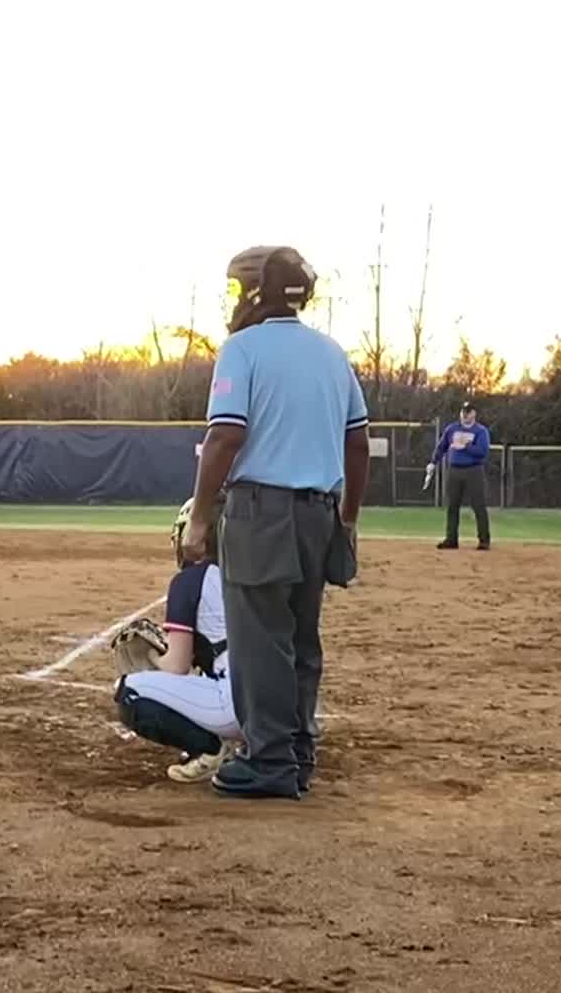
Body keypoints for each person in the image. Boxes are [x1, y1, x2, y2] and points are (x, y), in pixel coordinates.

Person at [182, 245, 368, 800]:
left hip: (260, 512)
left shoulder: (242, 349)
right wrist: (348, 517)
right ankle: (297, 752)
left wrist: (199, 515)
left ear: (257, 292)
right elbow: (357, 443)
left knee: (260, 639)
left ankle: (268, 760)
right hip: (319, 511)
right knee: (299, 636)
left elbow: (226, 435)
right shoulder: (332, 354)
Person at [111, 499, 242, 783]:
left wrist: (151, 657)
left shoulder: (189, 580)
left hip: (239, 708)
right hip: (287, 709)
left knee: (128, 691)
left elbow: (176, 667)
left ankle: (210, 750)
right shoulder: (256, 574)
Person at [427, 402, 491, 550]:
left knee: (479, 506)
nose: (465, 415)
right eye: (463, 412)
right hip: (454, 470)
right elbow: (441, 446)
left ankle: (484, 540)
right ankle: (451, 539)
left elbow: (482, 452)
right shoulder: (452, 429)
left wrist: (467, 446)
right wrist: (433, 462)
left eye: (468, 412)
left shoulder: (480, 431)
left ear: (474, 414)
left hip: (473, 470)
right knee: (452, 506)